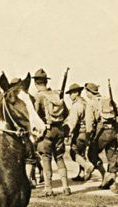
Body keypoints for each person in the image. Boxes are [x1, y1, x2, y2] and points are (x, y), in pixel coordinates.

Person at [33, 68, 71, 196]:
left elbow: (35, 116)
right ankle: (66, 187)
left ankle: (48, 188)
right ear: (46, 82)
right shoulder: (56, 95)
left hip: (47, 131)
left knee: (46, 159)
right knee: (59, 158)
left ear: (36, 83)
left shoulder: (38, 97)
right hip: (59, 130)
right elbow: (66, 113)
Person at [66, 83, 95, 182]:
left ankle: (87, 166)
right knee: (81, 154)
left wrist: (68, 133)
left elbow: (72, 123)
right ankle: (81, 174)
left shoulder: (76, 106)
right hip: (87, 132)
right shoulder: (85, 103)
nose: (70, 96)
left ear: (76, 93)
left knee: (73, 152)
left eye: (71, 93)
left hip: (79, 132)